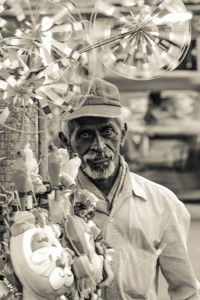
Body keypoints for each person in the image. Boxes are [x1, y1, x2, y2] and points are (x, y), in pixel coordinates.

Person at [61, 78, 200, 300]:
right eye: (85, 135)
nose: (99, 146)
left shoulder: (163, 203)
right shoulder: (53, 203)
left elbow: (186, 291)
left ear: (123, 134)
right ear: (67, 141)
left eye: (107, 131)